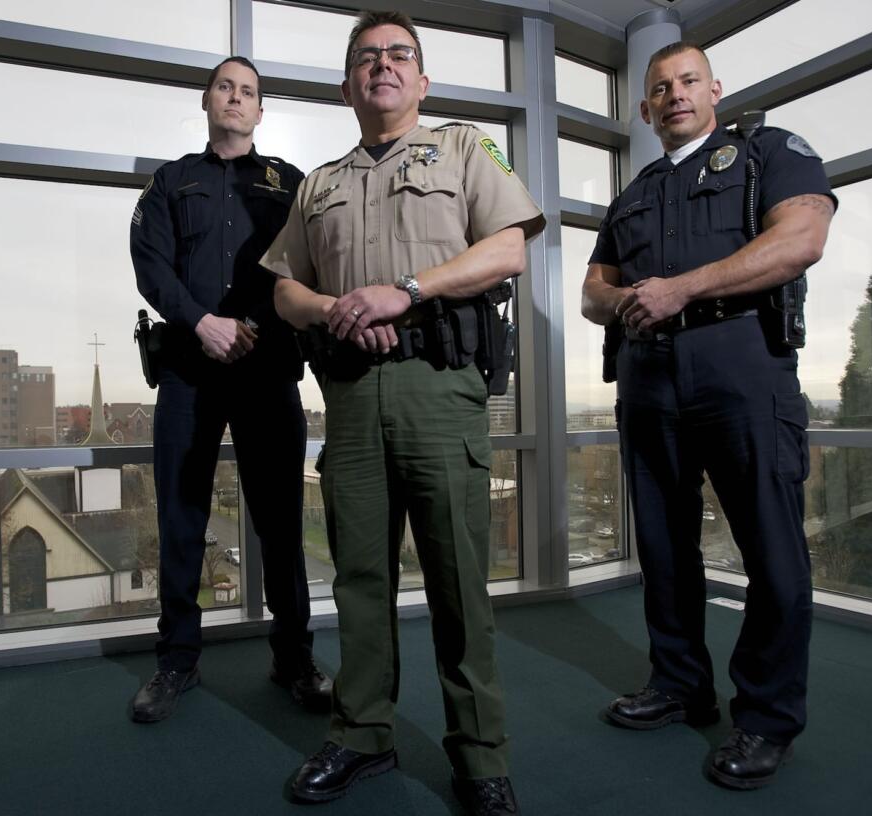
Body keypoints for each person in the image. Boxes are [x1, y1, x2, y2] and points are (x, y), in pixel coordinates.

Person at [261, 11, 544, 815]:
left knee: (457, 579)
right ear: (347, 83)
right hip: (350, 394)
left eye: (399, 56)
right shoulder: (320, 183)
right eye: (366, 58)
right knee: (358, 576)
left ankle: (480, 755)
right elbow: (283, 287)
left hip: (437, 385)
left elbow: (509, 248)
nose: (382, 66)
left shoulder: (463, 147)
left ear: (420, 79)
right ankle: (360, 736)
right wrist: (333, 308)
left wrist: (405, 290)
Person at [581, 41, 835, 790]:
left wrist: (680, 288)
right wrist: (626, 300)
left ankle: (765, 717)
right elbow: (595, 289)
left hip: (742, 371)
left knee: (772, 554)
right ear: (645, 108)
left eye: (688, 81)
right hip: (650, 378)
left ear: (714, 88)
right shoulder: (634, 194)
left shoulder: (767, 153)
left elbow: (802, 237)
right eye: (660, 88)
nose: (675, 95)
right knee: (662, 546)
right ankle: (679, 683)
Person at [128, 56, 331, 724]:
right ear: (208, 100)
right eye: (226, 87)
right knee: (182, 517)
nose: (236, 99)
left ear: (260, 111)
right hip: (190, 368)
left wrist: (255, 325)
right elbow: (152, 268)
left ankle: (295, 659)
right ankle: (177, 661)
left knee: (279, 520)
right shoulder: (171, 182)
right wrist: (202, 322)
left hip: (268, 367)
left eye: (248, 92)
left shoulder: (290, 184)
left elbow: (310, 267)